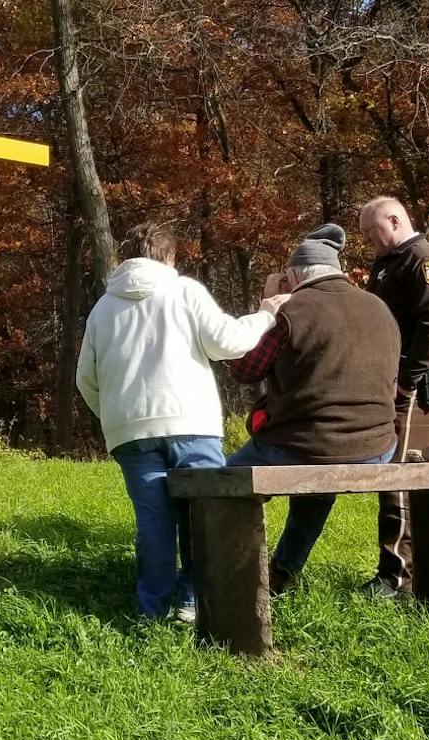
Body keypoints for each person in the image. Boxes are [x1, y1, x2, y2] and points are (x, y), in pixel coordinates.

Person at [76, 222, 288, 623]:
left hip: (131, 431)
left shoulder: (103, 308)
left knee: (154, 522)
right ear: (169, 256)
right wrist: (265, 315)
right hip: (191, 422)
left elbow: (85, 378)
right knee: (202, 513)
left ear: (127, 257)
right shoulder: (185, 291)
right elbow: (226, 342)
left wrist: (115, 416)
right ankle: (194, 599)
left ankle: (151, 609)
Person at [225, 223, 401, 595]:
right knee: (321, 477)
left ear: (292, 275)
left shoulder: (292, 310)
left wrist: (266, 305)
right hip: (377, 449)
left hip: (302, 445)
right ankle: (284, 570)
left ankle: (227, 579)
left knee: (220, 486)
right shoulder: (379, 307)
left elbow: (242, 369)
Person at [358, 196, 429, 598]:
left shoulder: (425, 260)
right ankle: (406, 569)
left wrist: (408, 382)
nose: (368, 240)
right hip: (393, 381)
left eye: (371, 231)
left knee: (398, 473)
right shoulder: (391, 262)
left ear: (395, 220)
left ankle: (396, 576)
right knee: (397, 472)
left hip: (416, 385)